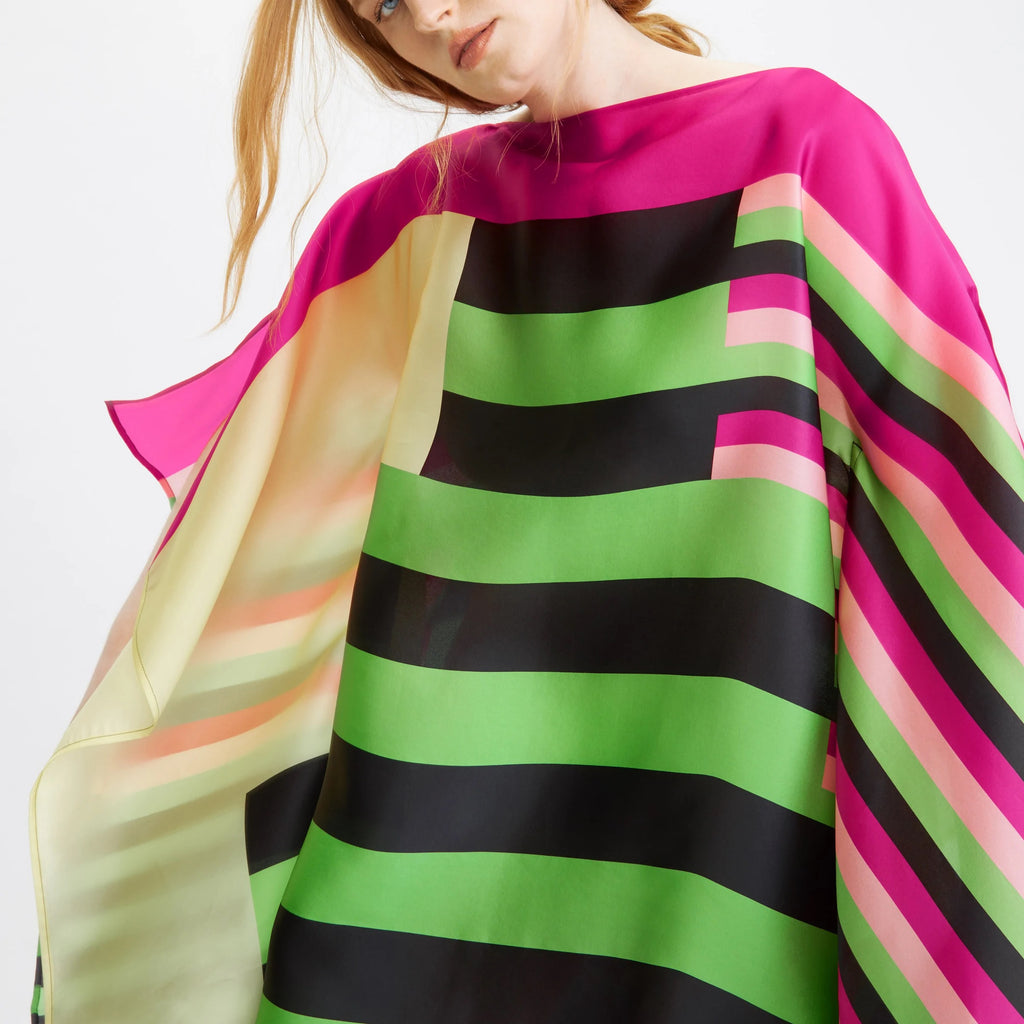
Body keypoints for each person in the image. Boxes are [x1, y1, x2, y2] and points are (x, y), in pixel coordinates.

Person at [28, 1, 1024, 1022]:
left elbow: (957, 552)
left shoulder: (803, 160)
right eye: (380, 7)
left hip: (705, 903)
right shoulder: (406, 231)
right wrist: (109, 755)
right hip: (397, 929)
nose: (426, 14)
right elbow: (224, 556)